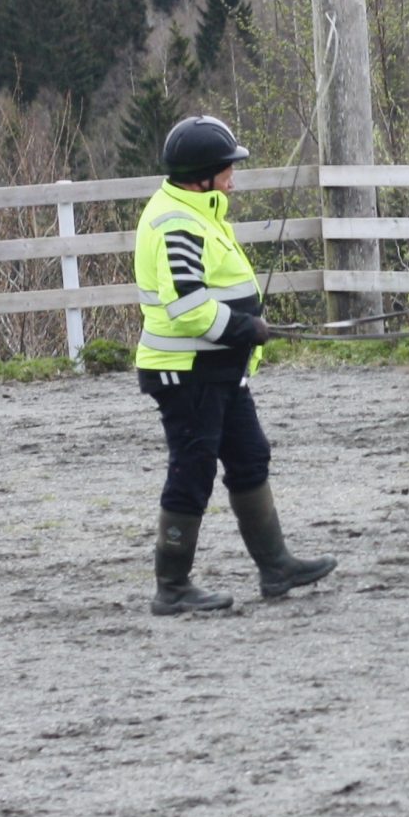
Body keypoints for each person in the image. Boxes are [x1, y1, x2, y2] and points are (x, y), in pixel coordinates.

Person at [135, 115, 336, 614]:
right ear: (201, 173)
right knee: (193, 471)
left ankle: (276, 567)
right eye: (227, 167)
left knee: (250, 456)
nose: (233, 176)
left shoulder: (199, 211)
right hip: (186, 372)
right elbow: (188, 308)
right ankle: (173, 586)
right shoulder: (177, 222)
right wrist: (246, 329)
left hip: (220, 370)